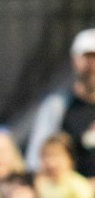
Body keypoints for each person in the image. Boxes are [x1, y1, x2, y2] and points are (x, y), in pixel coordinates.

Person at [26, 28, 95, 187]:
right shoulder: (56, 107)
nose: (92, 65)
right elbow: (36, 160)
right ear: (75, 60)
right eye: (87, 57)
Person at [32, 132, 95, 198]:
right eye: (45, 156)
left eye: (56, 155)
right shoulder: (39, 182)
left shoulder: (77, 185)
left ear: (69, 158)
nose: (50, 163)